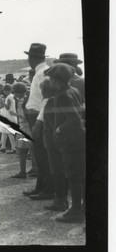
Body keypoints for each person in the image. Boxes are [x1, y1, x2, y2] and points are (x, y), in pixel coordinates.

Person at [44, 64, 86, 223]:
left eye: (51, 79)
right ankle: (80, 208)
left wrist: (59, 129)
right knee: (79, 175)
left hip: (71, 140)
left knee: (73, 175)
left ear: (56, 80)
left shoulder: (62, 96)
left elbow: (74, 119)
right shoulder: (74, 90)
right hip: (79, 138)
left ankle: (75, 210)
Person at [22, 43, 54, 200]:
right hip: (34, 115)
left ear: (32, 58)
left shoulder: (43, 73)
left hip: (39, 116)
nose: (28, 60)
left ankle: (48, 189)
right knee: (39, 154)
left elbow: (46, 99)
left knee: (42, 154)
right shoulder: (39, 72)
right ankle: (41, 186)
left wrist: (39, 121)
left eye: (29, 57)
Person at [37, 78, 69, 212]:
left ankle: (60, 201)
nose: (41, 92)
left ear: (46, 90)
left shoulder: (50, 102)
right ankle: (62, 199)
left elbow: (49, 123)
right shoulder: (60, 100)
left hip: (52, 141)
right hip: (59, 141)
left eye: (42, 89)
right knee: (61, 171)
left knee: (56, 171)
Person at [9, 82, 32, 178]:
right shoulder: (28, 99)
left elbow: (24, 116)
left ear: (19, 92)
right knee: (32, 150)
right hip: (28, 127)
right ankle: (34, 169)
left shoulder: (21, 102)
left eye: (16, 92)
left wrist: (14, 114)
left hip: (24, 127)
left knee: (22, 151)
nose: (14, 94)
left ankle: (22, 172)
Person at [0, 84, 16, 154]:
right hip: (7, 115)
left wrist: (3, 102)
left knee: (9, 133)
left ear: (7, 90)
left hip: (9, 116)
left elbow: (7, 107)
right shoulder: (10, 96)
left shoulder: (10, 97)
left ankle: (13, 148)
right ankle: (3, 147)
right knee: (4, 132)